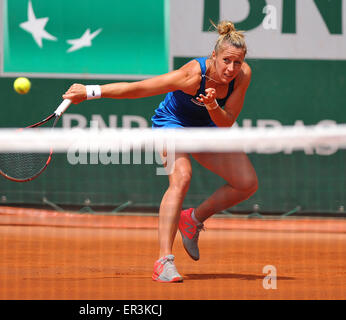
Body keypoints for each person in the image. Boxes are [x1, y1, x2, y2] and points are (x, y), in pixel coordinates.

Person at [63, 20, 258, 283]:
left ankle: (193, 219)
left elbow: (226, 122)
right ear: (214, 56)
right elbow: (139, 88)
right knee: (181, 177)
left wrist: (212, 105)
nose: (232, 68)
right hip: (171, 124)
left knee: (246, 183)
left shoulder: (242, 75)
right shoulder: (191, 76)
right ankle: (163, 261)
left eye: (237, 62)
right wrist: (91, 91)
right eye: (226, 61)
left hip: (206, 126)